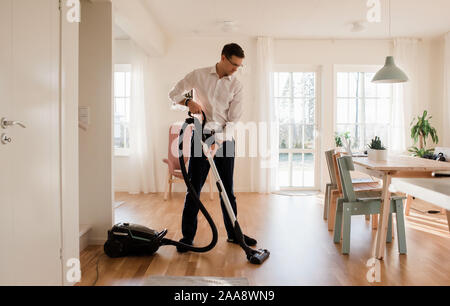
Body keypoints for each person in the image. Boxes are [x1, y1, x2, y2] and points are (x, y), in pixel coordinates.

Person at [168, 43, 257, 252]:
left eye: (239, 66)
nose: (236, 69)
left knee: (227, 190)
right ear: (223, 58)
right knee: (194, 189)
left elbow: (233, 121)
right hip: (201, 136)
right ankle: (187, 237)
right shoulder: (198, 75)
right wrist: (187, 102)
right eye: (234, 64)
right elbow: (173, 94)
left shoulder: (236, 85)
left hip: (224, 140)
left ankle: (235, 235)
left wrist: (218, 143)